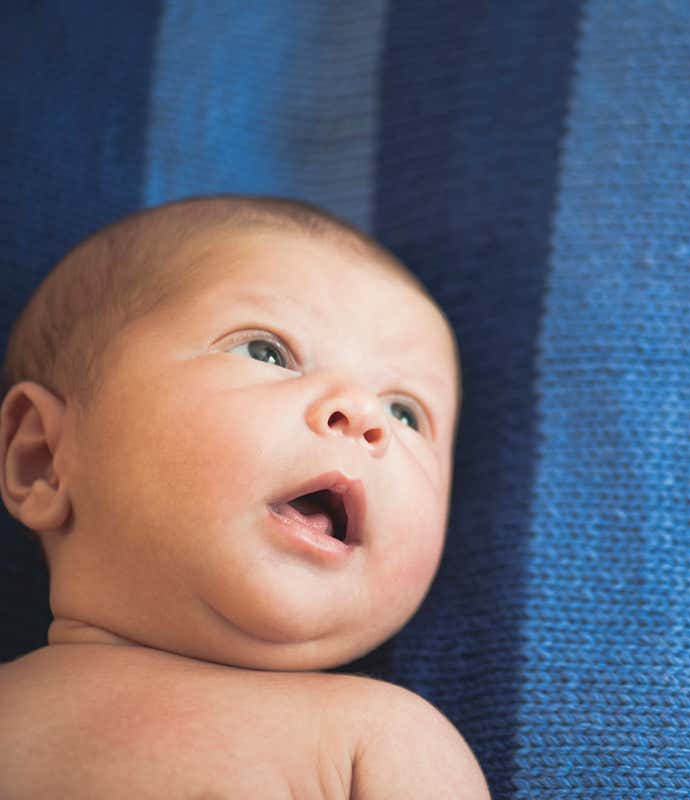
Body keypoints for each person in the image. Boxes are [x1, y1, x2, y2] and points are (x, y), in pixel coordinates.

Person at [0, 195, 489, 798]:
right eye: (268, 353)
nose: (365, 418)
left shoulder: (378, 744)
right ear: (44, 459)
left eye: (406, 413)